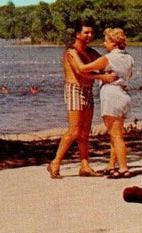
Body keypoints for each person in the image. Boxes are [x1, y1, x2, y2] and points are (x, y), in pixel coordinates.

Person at [47, 21, 114, 179]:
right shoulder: (72, 52)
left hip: (88, 90)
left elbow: (106, 63)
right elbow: (80, 71)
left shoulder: (91, 52)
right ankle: (55, 162)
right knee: (74, 130)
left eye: (91, 33)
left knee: (85, 132)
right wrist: (101, 76)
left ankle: (84, 165)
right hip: (74, 89)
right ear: (78, 34)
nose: (89, 36)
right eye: (86, 33)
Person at [67, 27, 136, 179]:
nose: (104, 44)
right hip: (124, 95)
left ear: (113, 42)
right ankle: (112, 165)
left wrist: (74, 55)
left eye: (106, 41)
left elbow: (82, 69)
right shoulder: (129, 58)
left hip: (111, 96)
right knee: (115, 133)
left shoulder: (108, 59)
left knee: (116, 135)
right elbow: (129, 75)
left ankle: (124, 168)